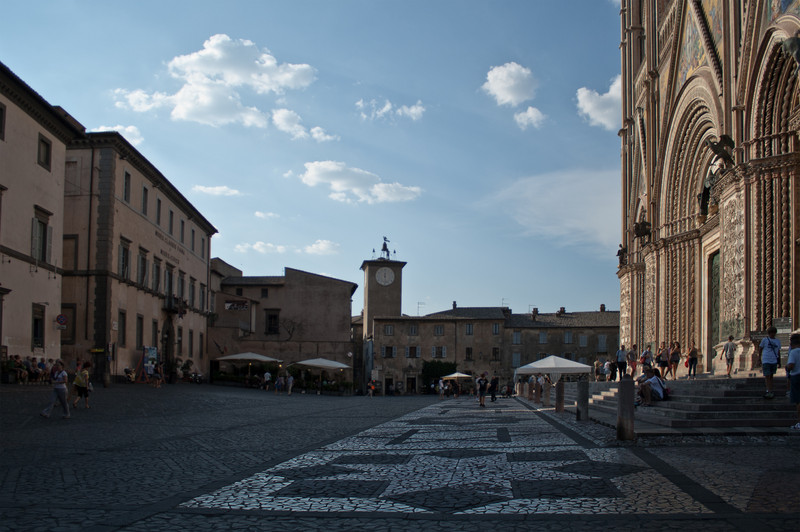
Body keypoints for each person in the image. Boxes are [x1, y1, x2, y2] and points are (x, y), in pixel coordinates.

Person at [758, 326, 781, 399]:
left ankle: (770, 389)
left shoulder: (777, 341)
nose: (772, 334)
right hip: (766, 359)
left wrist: (779, 361)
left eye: (773, 333)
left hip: (773, 360)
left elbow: (778, 351)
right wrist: (759, 358)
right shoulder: (765, 340)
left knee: (771, 376)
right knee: (767, 375)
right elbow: (760, 348)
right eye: (771, 333)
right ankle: (768, 390)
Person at [785, 333, 800, 431]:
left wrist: (786, 368)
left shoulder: (793, 352)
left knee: (798, 400)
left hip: (796, 377)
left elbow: (791, 365)